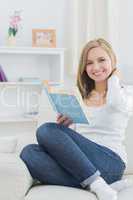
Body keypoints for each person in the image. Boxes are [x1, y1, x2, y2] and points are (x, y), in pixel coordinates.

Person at [20, 38, 133, 200]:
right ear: (84, 67)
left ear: (113, 61)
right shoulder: (81, 95)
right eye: (89, 63)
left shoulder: (125, 93)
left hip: (111, 162)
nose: (96, 67)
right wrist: (67, 127)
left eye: (102, 60)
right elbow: (73, 146)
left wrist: (114, 77)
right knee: (29, 152)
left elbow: (115, 102)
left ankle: (96, 183)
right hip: (84, 164)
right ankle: (98, 184)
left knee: (45, 130)